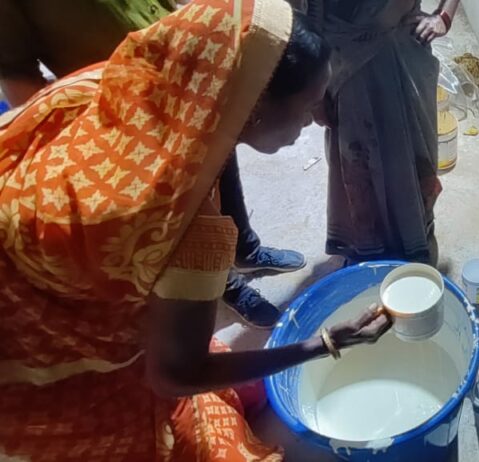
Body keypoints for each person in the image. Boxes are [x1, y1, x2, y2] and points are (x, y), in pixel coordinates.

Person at [0, 0, 392, 459]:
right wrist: (323, 344)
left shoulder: (109, 87)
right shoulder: (184, 227)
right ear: (253, 106)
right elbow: (175, 375)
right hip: (40, 357)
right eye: (307, 106)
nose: (315, 119)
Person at [0, 0, 305, 327]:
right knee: (185, 216)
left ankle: (245, 249)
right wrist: (78, 143)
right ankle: (225, 284)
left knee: (222, 169)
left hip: (188, 83)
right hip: (127, 120)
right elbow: (18, 76)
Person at [302, 0, 460, 266]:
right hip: (346, 64)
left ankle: (415, 249)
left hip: (405, 53)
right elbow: (300, 14)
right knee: (358, 168)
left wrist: (444, 16)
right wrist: (312, 94)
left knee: (414, 165)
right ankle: (365, 254)